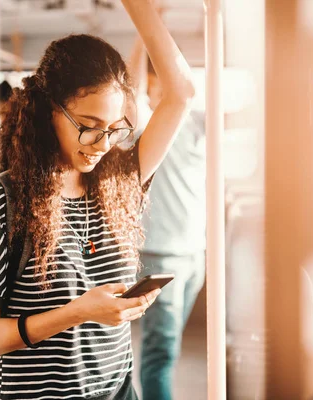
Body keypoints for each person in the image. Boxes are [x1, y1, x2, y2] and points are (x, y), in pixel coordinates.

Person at [0, 0, 195, 398]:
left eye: (113, 129)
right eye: (88, 127)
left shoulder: (120, 180)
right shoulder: (1, 200)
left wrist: (141, 7)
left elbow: (182, 93)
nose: (102, 145)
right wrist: (78, 312)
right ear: (46, 112)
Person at [128, 34, 206, 400]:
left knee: (169, 351)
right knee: (160, 354)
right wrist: (143, 33)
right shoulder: (146, 123)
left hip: (195, 253)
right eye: (159, 79)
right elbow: (132, 84)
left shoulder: (198, 123)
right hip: (160, 253)